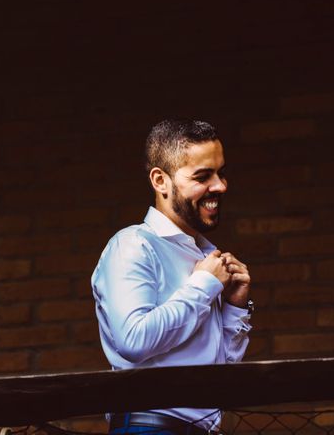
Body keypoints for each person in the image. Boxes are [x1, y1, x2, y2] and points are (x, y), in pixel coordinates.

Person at [91, 119, 252, 435]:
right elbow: (133, 340)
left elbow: (220, 374)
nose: (220, 186)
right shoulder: (132, 245)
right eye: (203, 176)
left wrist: (234, 308)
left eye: (220, 173)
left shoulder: (209, 256)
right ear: (160, 181)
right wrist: (204, 285)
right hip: (149, 427)